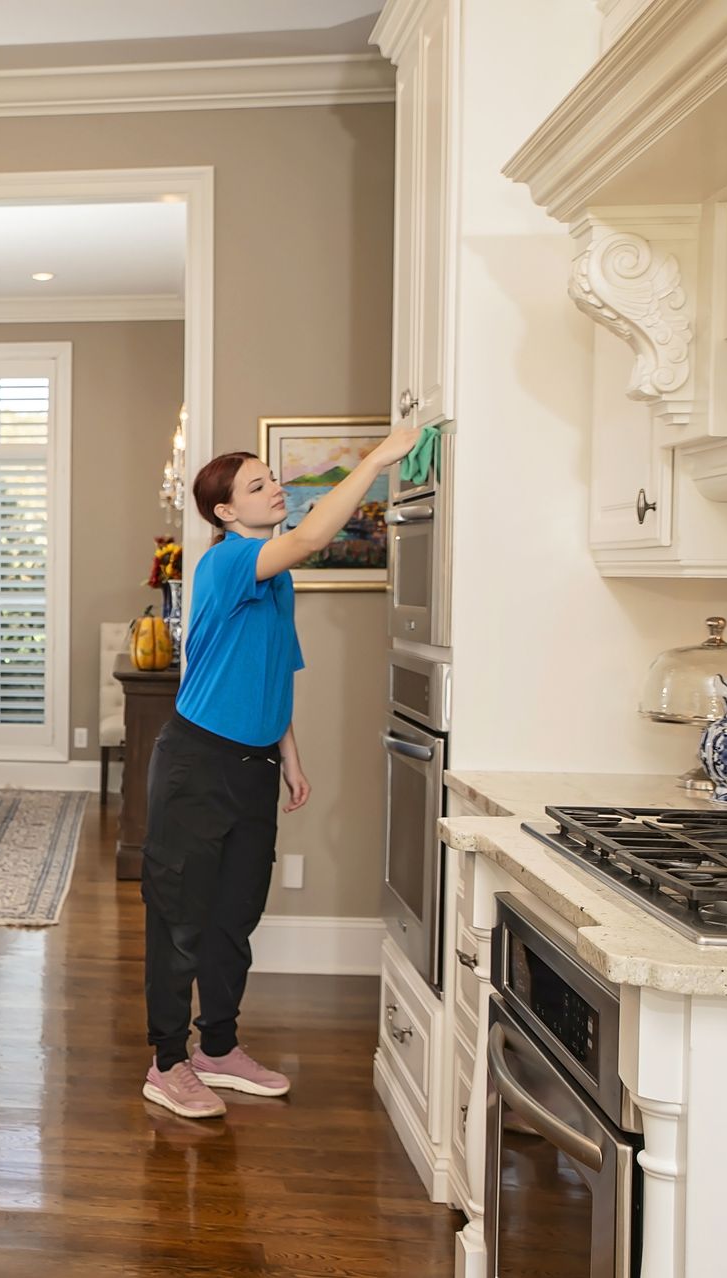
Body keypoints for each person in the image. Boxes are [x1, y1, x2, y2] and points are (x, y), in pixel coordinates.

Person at [140, 423, 420, 1120]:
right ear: (227, 512)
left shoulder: (277, 578)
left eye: (275, 478)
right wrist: (378, 460)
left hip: (253, 763)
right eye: (259, 485)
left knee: (235, 919)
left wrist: (289, 754)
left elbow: (274, 670)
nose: (277, 490)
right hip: (196, 764)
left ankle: (218, 1049)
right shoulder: (230, 561)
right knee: (180, 923)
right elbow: (313, 534)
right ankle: (167, 1062)